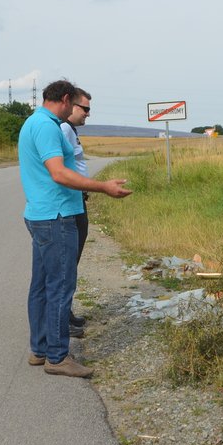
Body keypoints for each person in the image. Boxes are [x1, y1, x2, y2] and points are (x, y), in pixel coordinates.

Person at [19, 80, 131, 378]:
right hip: (56, 216)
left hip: (41, 214)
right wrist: (103, 187)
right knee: (60, 286)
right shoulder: (47, 126)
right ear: (66, 99)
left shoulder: (34, 122)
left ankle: (40, 350)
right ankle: (57, 357)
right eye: (76, 105)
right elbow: (59, 173)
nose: (75, 111)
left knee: (42, 285)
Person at [59, 88, 92, 335]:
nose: (88, 115)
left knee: (73, 262)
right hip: (72, 201)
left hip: (78, 200)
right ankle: (62, 319)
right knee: (67, 265)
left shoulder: (71, 130)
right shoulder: (63, 129)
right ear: (71, 105)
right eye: (85, 109)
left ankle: (66, 313)